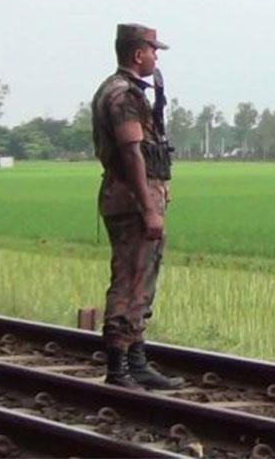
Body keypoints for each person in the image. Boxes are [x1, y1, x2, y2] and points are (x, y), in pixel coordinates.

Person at [90, 23, 184, 390]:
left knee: (142, 279)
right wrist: (148, 206)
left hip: (133, 197)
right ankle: (119, 368)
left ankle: (136, 361)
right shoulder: (123, 95)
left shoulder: (121, 91)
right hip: (131, 200)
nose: (156, 56)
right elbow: (132, 152)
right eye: (153, 50)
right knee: (129, 280)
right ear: (137, 53)